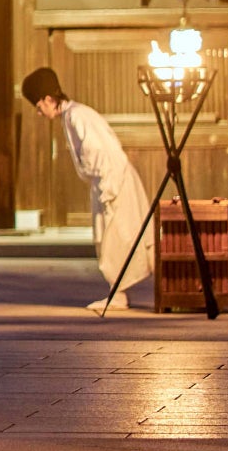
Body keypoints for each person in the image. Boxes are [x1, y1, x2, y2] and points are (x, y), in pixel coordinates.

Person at [24, 67, 151, 310]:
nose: (39, 112)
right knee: (112, 238)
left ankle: (119, 294)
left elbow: (99, 151)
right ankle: (118, 292)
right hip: (108, 180)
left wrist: (107, 188)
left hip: (112, 180)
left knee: (116, 237)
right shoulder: (73, 116)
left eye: (38, 106)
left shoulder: (77, 116)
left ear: (49, 99)